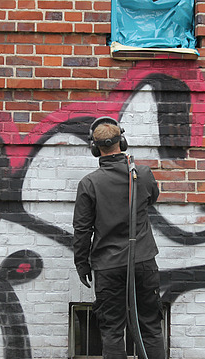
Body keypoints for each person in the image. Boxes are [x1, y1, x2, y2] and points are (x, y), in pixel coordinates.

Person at [72, 117, 165, 359]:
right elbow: (152, 198)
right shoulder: (143, 175)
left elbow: (82, 230)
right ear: (122, 142)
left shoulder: (89, 183)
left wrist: (82, 264)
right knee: (151, 328)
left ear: (95, 148)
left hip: (108, 266)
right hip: (143, 262)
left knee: (112, 331)